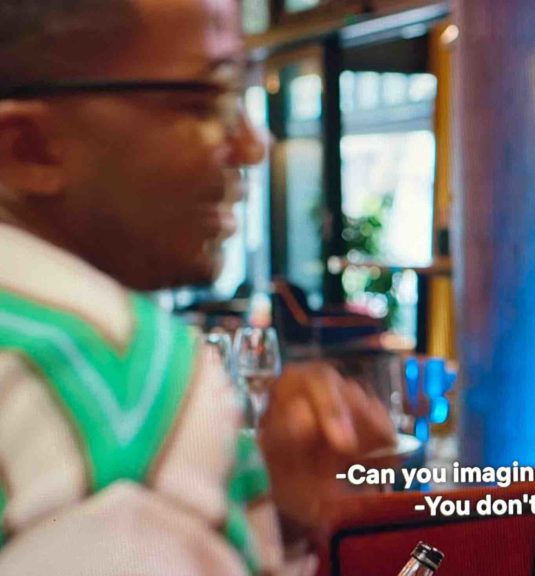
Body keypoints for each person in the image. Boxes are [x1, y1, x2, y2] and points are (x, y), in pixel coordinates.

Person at [0, 1, 394, 574]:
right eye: (208, 100)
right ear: (29, 147)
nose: (253, 146)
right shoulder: (119, 383)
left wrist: (262, 518)